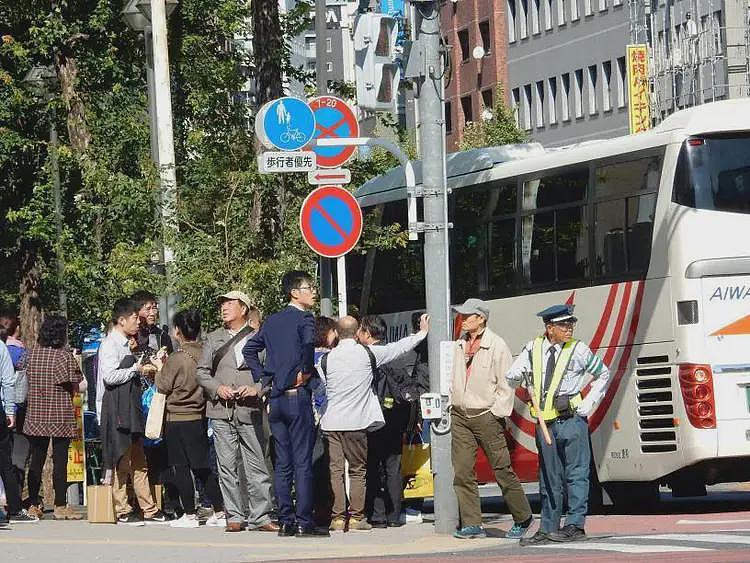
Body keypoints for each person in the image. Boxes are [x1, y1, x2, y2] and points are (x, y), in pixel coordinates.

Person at [506, 304, 611, 546]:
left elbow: (603, 374)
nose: (569, 328)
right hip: (545, 423)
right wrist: (516, 376)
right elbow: (512, 377)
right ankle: (548, 527)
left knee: (576, 475)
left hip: (572, 420)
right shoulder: (533, 349)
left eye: (571, 323)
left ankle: (574, 525)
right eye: (564, 324)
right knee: (548, 477)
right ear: (549, 327)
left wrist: (590, 403)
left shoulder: (578, 349)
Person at [319, 314, 430, 532]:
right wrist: (422, 333)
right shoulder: (369, 354)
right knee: (358, 471)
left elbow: (324, 384)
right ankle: (358, 517)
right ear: (358, 331)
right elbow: (398, 348)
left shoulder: (325, 360)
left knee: (335, 471)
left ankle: (338, 517)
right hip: (357, 422)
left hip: (331, 423)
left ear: (336, 333)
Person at [243, 271, 328, 538]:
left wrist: (263, 378)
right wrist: (303, 371)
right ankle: (304, 521)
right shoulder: (304, 318)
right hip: (296, 396)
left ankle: (286, 521)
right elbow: (306, 345)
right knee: (302, 461)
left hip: (276, 399)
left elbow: (249, 349)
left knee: (282, 464)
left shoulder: (272, 320)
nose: (313, 292)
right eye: (309, 287)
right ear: (295, 292)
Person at [449, 298, 533, 540]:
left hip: (486, 415)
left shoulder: (497, 345)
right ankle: (472, 523)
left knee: (502, 469)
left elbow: (507, 384)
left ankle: (523, 516)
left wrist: (497, 412)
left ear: (481, 318)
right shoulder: (458, 345)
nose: (463, 320)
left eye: (468, 316)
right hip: (460, 415)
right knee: (463, 471)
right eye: (461, 316)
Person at [197, 291, 276, 533]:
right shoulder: (212, 338)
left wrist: (256, 389)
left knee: (257, 463)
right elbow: (202, 372)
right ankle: (234, 515)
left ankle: (261, 516)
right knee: (226, 464)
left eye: (230, 304)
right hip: (221, 410)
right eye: (222, 304)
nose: (224, 308)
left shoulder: (260, 337)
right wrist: (217, 388)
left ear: (243, 309)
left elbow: (270, 372)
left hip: (251, 408)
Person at [155, 309, 224, 528]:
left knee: (181, 466)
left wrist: (159, 367)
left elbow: (162, 385)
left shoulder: (177, 358)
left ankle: (190, 514)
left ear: (177, 332)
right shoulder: (206, 353)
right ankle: (220, 510)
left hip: (177, 417)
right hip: (199, 415)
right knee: (202, 466)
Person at [98, 298, 165, 525]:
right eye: (135, 318)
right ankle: (122, 509)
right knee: (121, 458)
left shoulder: (127, 343)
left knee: (139, 459)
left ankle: (149, 508)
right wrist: (135, 368)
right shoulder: (110, 344)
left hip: (132, 406)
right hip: (117, 408)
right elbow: (109, 376)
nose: (139, 322)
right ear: (121, 320)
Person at [20, 315, 84, 520]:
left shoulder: (31, 354)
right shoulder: (63, 356)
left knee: (36, 461)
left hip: (36, 414)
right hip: (60, 415)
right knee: (60, 461)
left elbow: (20, 370)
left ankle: (32, 503)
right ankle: (60, 505)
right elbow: (78, 381)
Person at [358, 315, 410, 529]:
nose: (358, 335)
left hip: (373, 419)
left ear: (368, 334)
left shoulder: (367, 357)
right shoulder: (396, 357)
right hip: (395, 419)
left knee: (372, 467)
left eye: (360, 331)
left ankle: (377, 515)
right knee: (393, 467)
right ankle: (395, 515)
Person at [0, 334, 37, 527]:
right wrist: (10, 411)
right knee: (5, 463)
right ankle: (14, 509)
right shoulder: (1, 348)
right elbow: (7, 381)